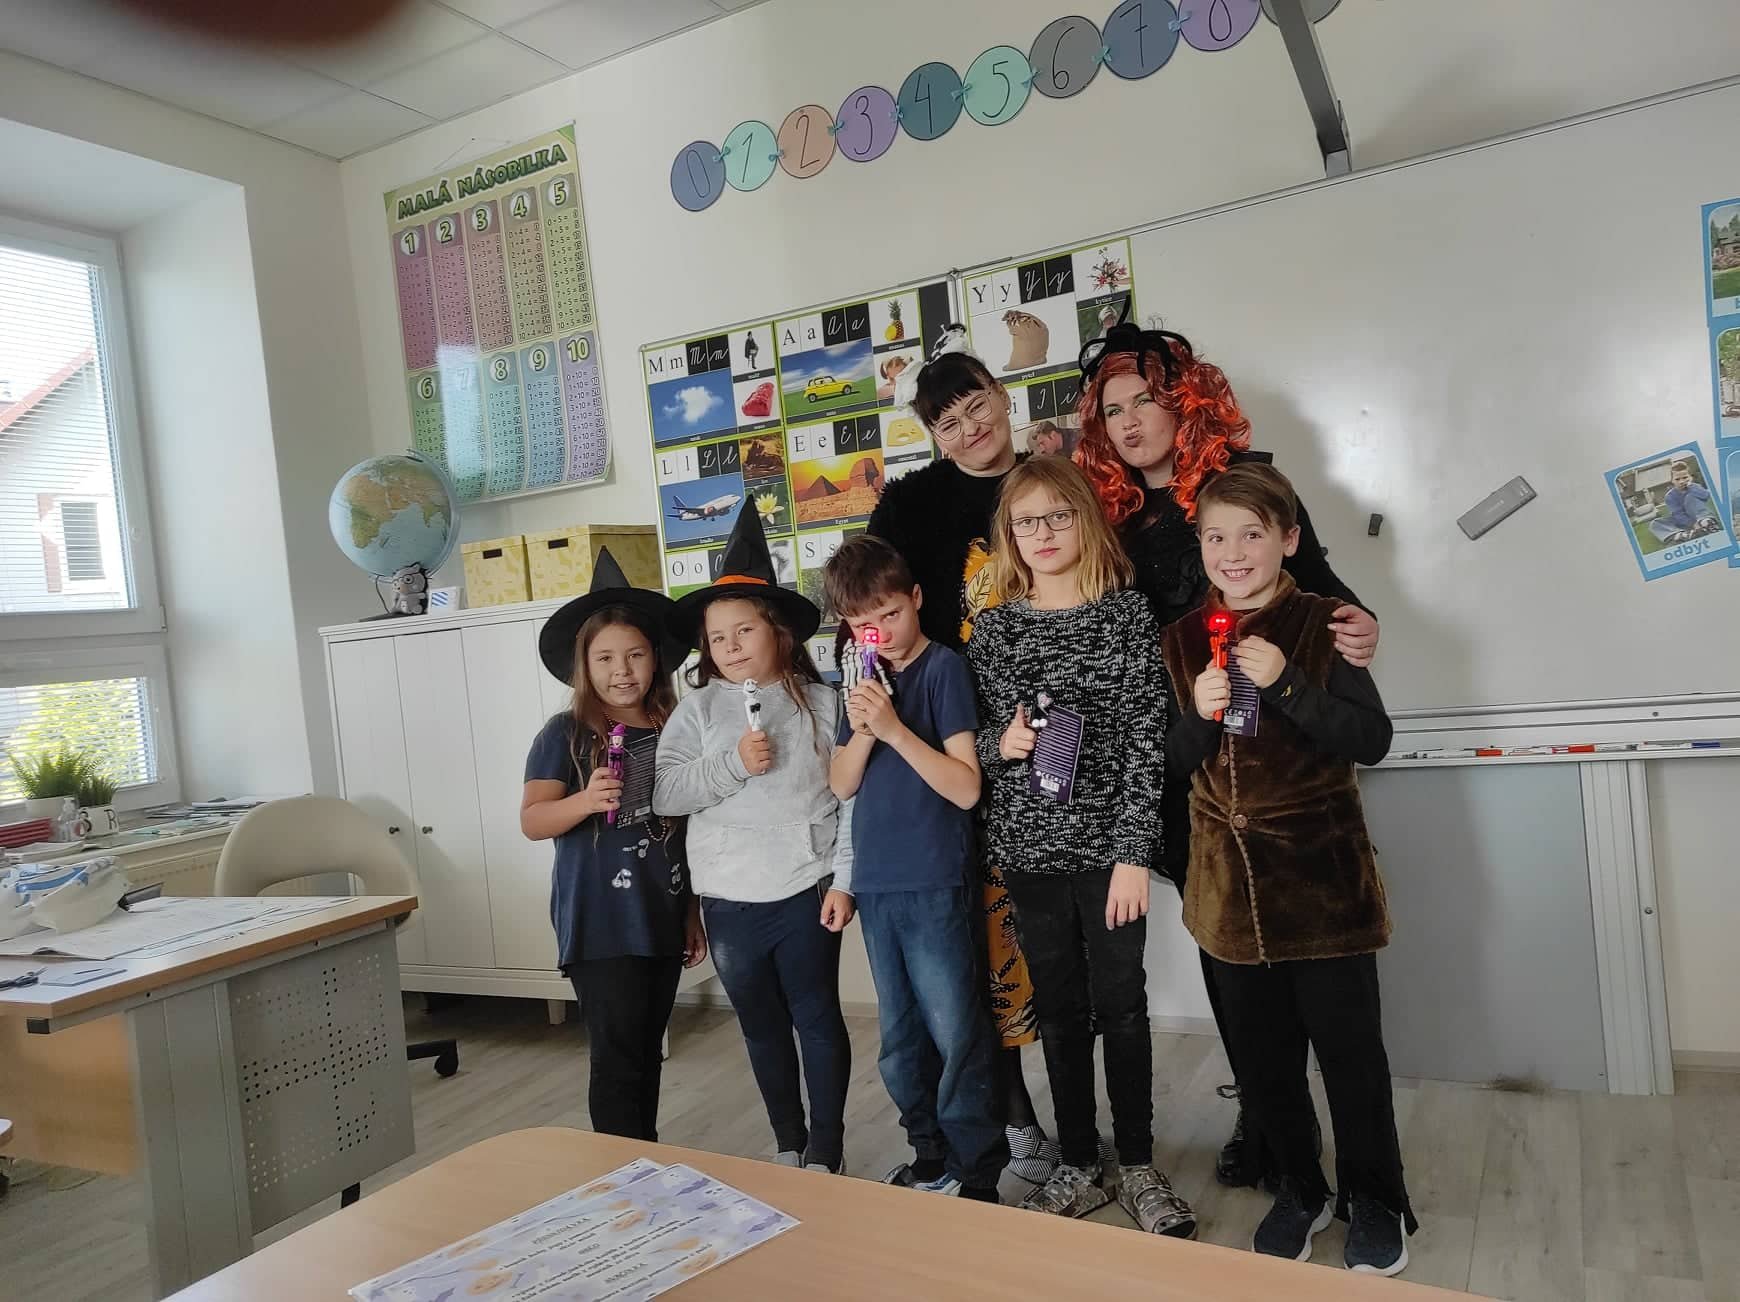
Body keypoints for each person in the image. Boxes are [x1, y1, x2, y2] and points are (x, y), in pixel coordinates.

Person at [1074, 316, 1378, 1190]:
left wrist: (1359, 622)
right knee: (1225, 942)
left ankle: (1319, 1139)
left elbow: (1320, 586)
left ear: (1186, 403)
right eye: (1113, 409)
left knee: (1305, 955)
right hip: (1184, 755)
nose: (1130, 421)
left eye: (1146, 400)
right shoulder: (1109, 517)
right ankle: (1266, 1109)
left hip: (1281, 762)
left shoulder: (1246, 491)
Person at [1162, 463, 1414, 1276]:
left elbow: (1370, 740)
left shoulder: (1322, 622)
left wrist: (1290, 685)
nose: (1233, 553)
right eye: (1216, 536)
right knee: (1266, 1063)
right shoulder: (1181, 638)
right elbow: (1172, 762)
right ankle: (1300, 1187)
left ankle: (1375, 1198)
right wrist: (1201, 717)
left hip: (1322, 888)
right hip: (1230, 896)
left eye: (1252, 534)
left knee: (1351, 1058)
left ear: (1289, 540)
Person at [964, 457, 1196, 1239]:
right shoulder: (995, 630)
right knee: (1059, 1009)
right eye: (1026, 521)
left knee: (1121, 1005)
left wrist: (1133, 853)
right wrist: (1001, 744)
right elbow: (978, 742)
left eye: (1057, 516)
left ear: (1085, 521)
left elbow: (1145, 743)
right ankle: (1076, 1161)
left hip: (1108, 853)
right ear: (1009, 534)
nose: (1043, 533)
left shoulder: (1126, 615)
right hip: (1028, 850)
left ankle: (1137, 1163)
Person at [868, 326, 1062, 1186]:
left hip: (1057, 739)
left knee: (1065, 938)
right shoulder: (913, 505)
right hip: (961, 746)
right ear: (933, 437)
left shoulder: (1056, 485)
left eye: (976, 404)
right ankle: (1014, 1120)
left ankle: (1085, 1129)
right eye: (946, 421)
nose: (969, 427)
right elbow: (866, 598)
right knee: (985, 947)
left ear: (1003, 394)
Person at [653, 504, 855, 1175]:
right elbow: (666, 793)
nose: (731, 646)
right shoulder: (698, 710)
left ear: (780, 633)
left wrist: (843, 880)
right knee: (761, 1025)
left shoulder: (823, 704)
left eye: (745, 630)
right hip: (730, 899)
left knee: (816, 1017)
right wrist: (734, 762)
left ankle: (827, 1147)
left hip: (805, 889)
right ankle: (787, 1141)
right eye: (717, 638)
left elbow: (847, 799)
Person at [825, 536, 1006, 1203]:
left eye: (892, 614)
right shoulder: (861, 684)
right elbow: (841, 784)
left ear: (918, 599)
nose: (882, 632)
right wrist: (866, 724)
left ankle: (978, 1170)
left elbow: (966, 787)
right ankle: (929, 1155)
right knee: (899, 1039)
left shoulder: (943, 670)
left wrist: (896, 728)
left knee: (956, 1030)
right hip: (878, 883)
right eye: (863, 624)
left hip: (935, 878)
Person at [520, 549, 707, 1142]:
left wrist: (691, 913)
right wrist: (584, 801)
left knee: (647, 1049)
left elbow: (686, 832)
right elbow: (533, 820)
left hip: (660, 914)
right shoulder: (564, 734)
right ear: (584, 665)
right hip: (600, 923)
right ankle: (622, 1168)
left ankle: (641, 1157)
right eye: (604, 658)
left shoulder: (676, 727)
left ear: (656, 659)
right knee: (617, 1054)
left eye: (635, 655)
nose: (621, 671)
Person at [1648, 460, 1719, 542]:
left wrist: (1691, 486)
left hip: (1699, 515)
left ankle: (1707, 523)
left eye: (1685, 478)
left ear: (1690, 477)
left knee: (1690, 497)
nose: (1681, 481)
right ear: (1672, 480)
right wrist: (1693, 524)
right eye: (1677, 479)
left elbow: (1705, 495)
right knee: (1655, 523)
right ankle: (1682, 535)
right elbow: (1677, 514)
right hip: (1684, 522)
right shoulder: (1670, 496)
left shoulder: (1695, 487)